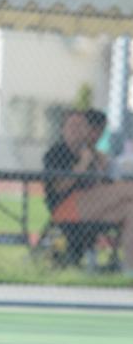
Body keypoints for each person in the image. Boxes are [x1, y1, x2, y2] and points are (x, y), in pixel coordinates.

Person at [43, 109, 133, 276]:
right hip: (66, 208)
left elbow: (104, 185)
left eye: (81, 126)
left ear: (87, 130)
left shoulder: (93, 154)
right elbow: (59, 187)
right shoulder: (57, 152)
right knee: (129, 189)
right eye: (72, 125)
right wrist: (83, 164)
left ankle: (129, 269)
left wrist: (101, 165)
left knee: (130, 210)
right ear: (63, 129)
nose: (77, 129)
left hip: (92, 208)